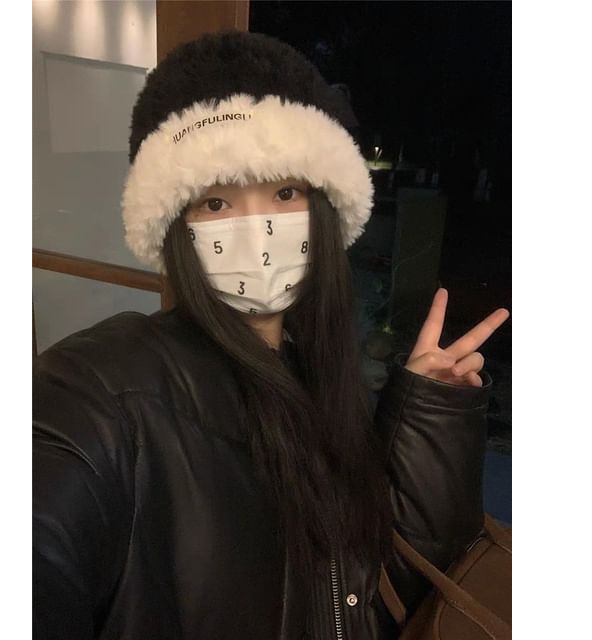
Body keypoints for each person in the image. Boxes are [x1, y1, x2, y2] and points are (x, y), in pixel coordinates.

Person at [33, 30, 509, 640]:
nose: (256, 230)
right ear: (176, 227)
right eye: (215, 203)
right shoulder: (103, 389)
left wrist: (428, 413)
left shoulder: (318, 374)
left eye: (285, 192)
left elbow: (387, 589)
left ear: (324, 211)